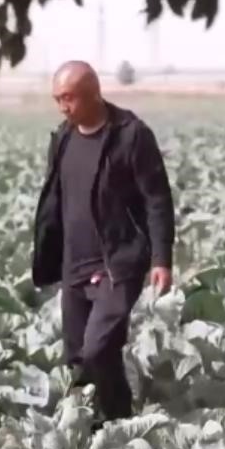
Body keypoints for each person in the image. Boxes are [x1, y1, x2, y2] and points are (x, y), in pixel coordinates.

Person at [31, 60, 176, 422]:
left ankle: (117, 420)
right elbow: (56, 199)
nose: (63, 107)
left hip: (118, 262)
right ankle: (102, 425)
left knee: (97, 348)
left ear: (93, 93)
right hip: (74, 264)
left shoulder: (131, 135)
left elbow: (157, 198)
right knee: (78, 358)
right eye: (57, 99)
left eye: (69, 98)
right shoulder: (63, 138)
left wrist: (161, 258)